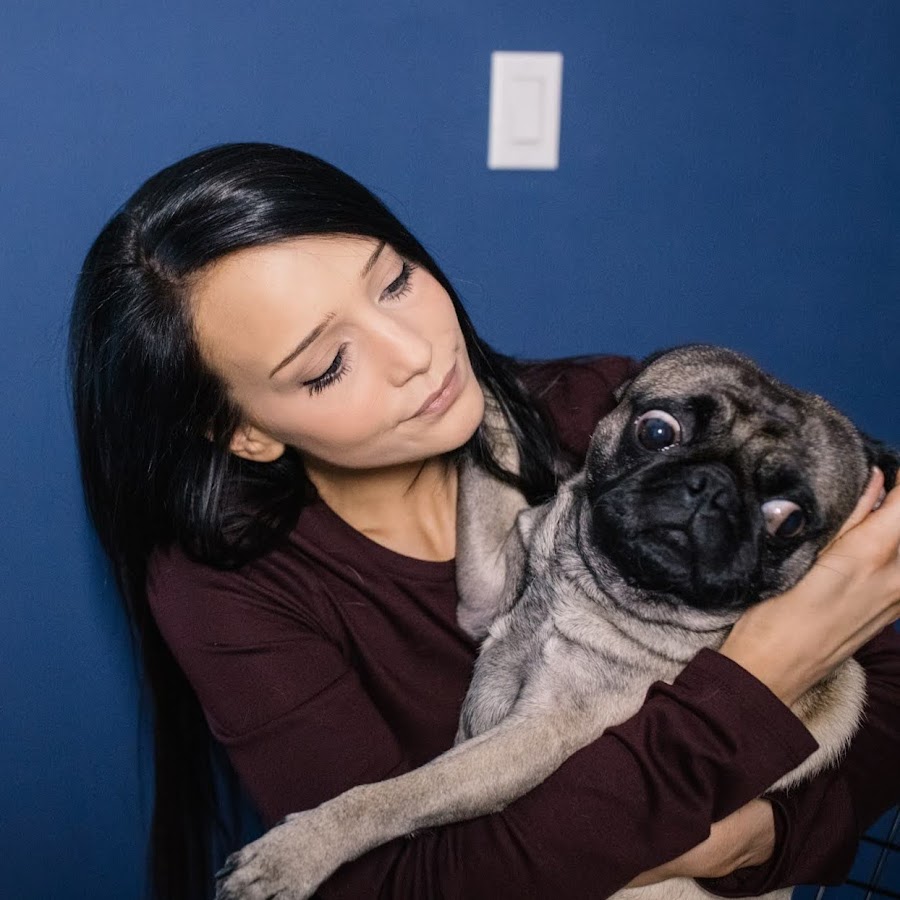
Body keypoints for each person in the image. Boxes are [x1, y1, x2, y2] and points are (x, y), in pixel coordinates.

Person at [68, 142, 900, 900]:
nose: (415, 353)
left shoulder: (590, 407)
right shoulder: (230, 587)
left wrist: (762, 842)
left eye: (395, 282)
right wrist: (755, 684)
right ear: (244, 430)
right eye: (327, 365)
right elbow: (385, 889)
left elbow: (889, 714)